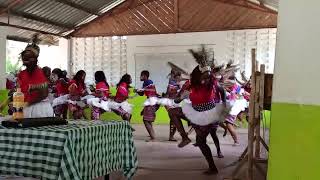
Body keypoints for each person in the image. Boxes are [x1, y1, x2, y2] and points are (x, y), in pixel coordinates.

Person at [168, 46, 227, 175]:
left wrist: (224, 104)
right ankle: (185, 138)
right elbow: (177, 101)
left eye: (208, 77)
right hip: (194, 111)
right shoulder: (191, 84)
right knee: (172, 112)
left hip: (207, 116)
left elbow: (222, 91)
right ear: (198, 75)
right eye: (204, 77)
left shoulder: (213, 83)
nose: (206, 80)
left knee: (201, 142)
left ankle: (212, 167)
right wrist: (181, 97)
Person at [17, 37, 54, 118]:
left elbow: (43, 91)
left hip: (41, 109)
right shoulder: (21, 74)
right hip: (27, 108)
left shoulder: (41, 72)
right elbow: (20, 91)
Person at [135, 70, 160, 142]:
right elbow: (142, 93)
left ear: (145, 76)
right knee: (148, 120)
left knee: (146, 120)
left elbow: (142, 92)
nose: (140, 77)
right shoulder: (148, 82)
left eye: (141, 75)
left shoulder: (147, 82)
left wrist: (137, 90)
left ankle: (153, 137)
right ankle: (152, 135)